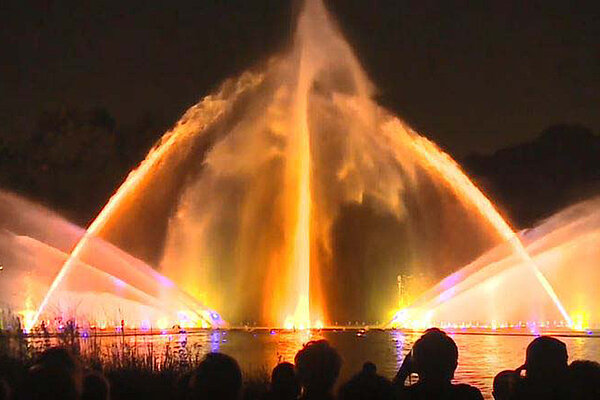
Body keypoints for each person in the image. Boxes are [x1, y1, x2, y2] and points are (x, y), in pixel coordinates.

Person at [392, 328, 483, 399]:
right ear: (454, 366)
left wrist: (404, 370)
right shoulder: (469, 395)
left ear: (415, 365)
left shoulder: (406, 396)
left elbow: (391, 393)